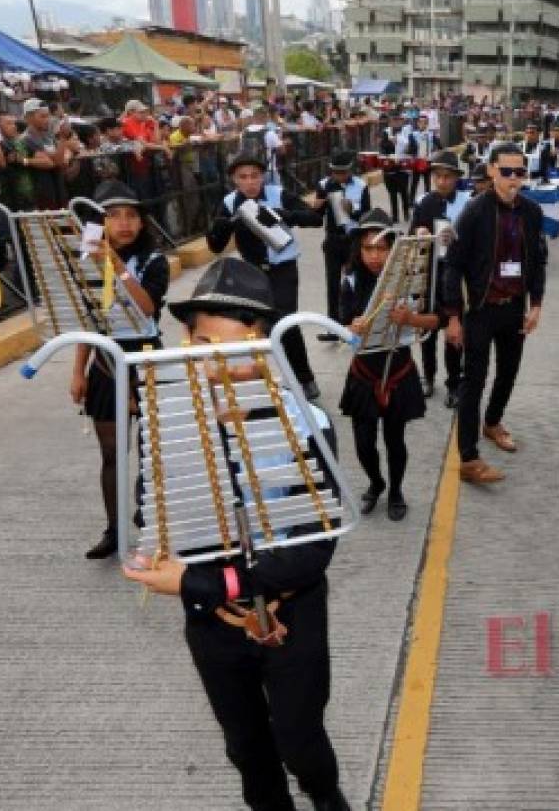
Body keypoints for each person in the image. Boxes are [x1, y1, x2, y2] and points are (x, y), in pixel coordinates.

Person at [124, 257, 352, 811]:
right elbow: (146, 510)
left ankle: (328, 800)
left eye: (228, 348)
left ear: (260, 344)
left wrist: (201, 583)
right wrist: (157, 538)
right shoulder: (169, 421)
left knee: (300, 743)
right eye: (201, 344)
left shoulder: (307, 425)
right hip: (217, 629)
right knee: (247, 750)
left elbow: (311, 555)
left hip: (292, 616)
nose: (212, 362)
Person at [69, 181, 170, 559]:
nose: (124, 223)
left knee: (152, 450)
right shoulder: (85, 263)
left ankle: (152, 520)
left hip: (146, 359)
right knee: (111, 454)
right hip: (106, 364)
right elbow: (87, 321)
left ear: (143, 223)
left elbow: (145, 308)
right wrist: (78, 371)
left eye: (132, 216)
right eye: (113, 216)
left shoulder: (153, 261)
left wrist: (117, 266)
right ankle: (114, 530)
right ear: (101, 223)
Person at [442, 142, 548, 484]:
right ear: (491, 171)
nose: (514, 178)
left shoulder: (532, 213)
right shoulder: (474, 211)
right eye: (507, 171)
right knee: (473, 381)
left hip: (513, 307)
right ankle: (469, 458)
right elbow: (453, 266)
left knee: (509, 372)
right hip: (480, 310)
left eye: (520, 172)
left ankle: (493, 422)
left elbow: (538, 261)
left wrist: (536, 304)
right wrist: (453, 317)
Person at [337, 210, 437, 521]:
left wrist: (410, 319)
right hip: (364, 372)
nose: (375, 256)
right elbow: (341, 322)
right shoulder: (350, 279)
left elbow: (435, 320)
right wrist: (350, 327)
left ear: (393, 248)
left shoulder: (411, 278)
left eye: (381, 248)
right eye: (368, 248)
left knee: (395, 440)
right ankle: (376, 483)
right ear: (359, 249)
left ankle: (396, 490)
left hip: (398, 368)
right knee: (364, 443)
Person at [207, 154, 325, 400]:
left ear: (263, 177)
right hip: (252, 272)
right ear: (234, 180)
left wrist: (284, 215)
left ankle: (304, 378)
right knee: (257, 327)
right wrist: (223, 227)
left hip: (283, 268)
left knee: (285, 322)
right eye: (243, 177)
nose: (250, 182)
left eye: (255, 176)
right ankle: (263, 380)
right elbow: (215, 246)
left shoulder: (278, 194)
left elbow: (315, 219)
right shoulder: (229, 202)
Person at [409, 150, 467, 404]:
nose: (442, 182)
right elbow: (412, 234)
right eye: (437, 176)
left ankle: (454, 380)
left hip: (455, 273)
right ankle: (428, 375)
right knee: (426, 326)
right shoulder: (424, 202)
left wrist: (459, 239)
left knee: (453, 328)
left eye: (447, 177)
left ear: (456, 178)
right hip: (429, 270)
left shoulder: (467, 202)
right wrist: (419, 232)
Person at [315, 150, 371, 339]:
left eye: (343, 172)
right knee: (332, 285)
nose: (339, 176)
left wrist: (353, 211)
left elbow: (367, 216)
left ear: (350, 170)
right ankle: (333, 327)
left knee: (354, 282)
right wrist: (317, 206)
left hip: (352, 240)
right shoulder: (324, 185)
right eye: (335, 172)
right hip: (332, 239)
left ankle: (355, 324)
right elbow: (316, 216)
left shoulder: (361, 186)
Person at [379, 112, 413, 223]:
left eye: (398, 120)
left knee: (404, 192)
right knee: (392, 193)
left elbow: (414, 148)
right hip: (390, 167)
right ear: (390, 122)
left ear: (402, 121)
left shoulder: (407, 132)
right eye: (394, 120)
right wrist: (391, 144)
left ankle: (406, 213)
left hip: (403, 167)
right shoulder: (386, 132)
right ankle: (395, 216)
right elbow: (382, 148)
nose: (396, 122)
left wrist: (407, 146)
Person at [406, 114, 442, 205]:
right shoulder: (412, 135)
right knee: (414, 182)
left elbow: (440, 146)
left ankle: (428, 200)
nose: (423, 124)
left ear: (427, 124)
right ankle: (411, 201)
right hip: (417, 161)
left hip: (427, 160)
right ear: (418, 123)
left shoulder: (431, 135)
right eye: (421, 122)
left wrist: (434, 155)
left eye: (425, 122)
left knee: (427, 182)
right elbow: (410, 149)